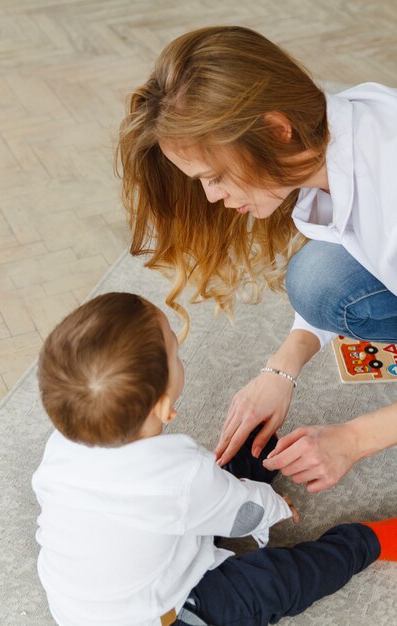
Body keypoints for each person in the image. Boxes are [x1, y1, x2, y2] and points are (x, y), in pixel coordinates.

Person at [117, 25, 397, 494]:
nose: (210, 196)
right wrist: (280, 368)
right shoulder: (329, 131)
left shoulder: (387, 183)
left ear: (274, 128)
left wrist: (352, 439)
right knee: (317, 278)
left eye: (216, 175)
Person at [32, 291, 396, 626]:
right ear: (163, 407)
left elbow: (179, 494)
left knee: (219, 473)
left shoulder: (60, 445)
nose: (180, 354)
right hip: (166, 613)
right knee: (278, 580)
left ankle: (264, 447)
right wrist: (275, 506)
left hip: (85, 605)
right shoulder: (180, 473)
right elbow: (242, 512)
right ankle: (367, 542)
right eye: (176, 352)